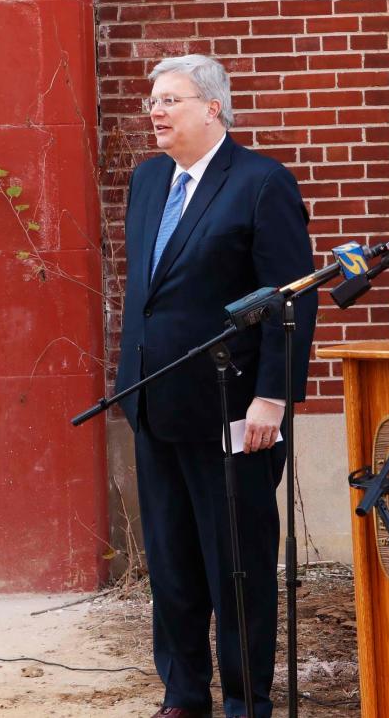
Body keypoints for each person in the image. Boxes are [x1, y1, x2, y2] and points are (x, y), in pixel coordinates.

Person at [115, 55, 317, 718]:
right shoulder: (148, 182)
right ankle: (183, 693)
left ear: (214, 108)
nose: (157, 111)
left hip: (234, 411)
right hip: (155, 402)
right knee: (171, 567)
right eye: (154, 100)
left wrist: (273, 395)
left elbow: (290, 301)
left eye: (172, 99)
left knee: (237, 567)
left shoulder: (261, 183)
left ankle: (244, 700)